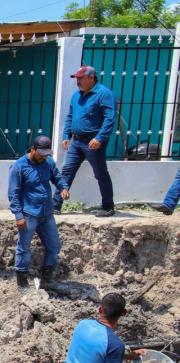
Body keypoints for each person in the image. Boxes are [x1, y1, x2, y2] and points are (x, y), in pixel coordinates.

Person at [7, 136, 70, 287]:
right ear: (33, 149)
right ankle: (22, 283)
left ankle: (47, 280)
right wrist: (18, 215)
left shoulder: (48, 162)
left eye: (46, 155)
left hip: (47, 213)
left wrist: (63, 188)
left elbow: (57, 176)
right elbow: (13, 193)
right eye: (41, 155)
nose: (43, 158)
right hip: (29, 215)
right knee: (23, 248)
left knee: (54, 246)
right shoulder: (19, 166)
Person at [54, 66, 117, 218]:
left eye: (81, 78)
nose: (78, 81)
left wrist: (100, 138)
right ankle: (55, 205)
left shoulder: (103, 94)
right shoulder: (77, 96)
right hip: (76, 141)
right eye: (77, 78)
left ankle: (108, 206)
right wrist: (65, 136)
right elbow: (70, 116)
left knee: (100, 173)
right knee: (67, 171)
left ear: (91, 78)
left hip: (93, 142)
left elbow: (110, 118)